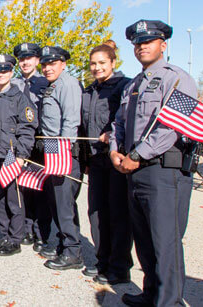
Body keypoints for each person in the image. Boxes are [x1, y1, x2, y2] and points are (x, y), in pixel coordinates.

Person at [110, 20, 197, 307]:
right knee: (144, 241)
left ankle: (169, 302)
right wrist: (115, 151)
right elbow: (119, 125)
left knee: (165, 244)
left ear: (163, 44)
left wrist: (137, 155)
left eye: (149, 41)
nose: (142, 46)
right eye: (137, 42)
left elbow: (171, 128)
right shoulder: (134, 85)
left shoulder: (177, 79)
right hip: (135, 173)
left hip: (164, 172)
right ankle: (151, 295)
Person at [79, 41, 133, 284]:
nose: (97, 67)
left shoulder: (125, 86)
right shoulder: (90, 91)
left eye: (102, 63)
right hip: (96, 159)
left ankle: (119, 267)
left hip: (116, 160)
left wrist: (113, 136)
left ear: (113, 63)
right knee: (96, 213)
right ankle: (102, 261)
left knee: (117, 214)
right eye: (93, 63)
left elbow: (127, 121)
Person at [36, 46, 83, 270]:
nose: (47, 68)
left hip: (63, 151)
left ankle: (73, 252)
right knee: (56, 203)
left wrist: (62, 151)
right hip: (52, 149)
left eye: (52, 64)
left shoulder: (68, 84)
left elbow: (71, 121)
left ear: (63, 64)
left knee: (65, 205)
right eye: (44, 64)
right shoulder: (52, 86)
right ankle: (65, 245)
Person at [0, 54, 37, 256]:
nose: (1, 74)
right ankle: (5, 235)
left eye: (5, 70)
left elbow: (28, 128)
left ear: (11, 72)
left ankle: (16, 239)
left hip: (11, 156)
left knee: (13, 199)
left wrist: (21, 155)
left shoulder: (20, 98)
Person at [12, 42, 51, 252]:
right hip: (20, 141)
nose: (25, 62)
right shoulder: (14, 84)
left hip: (40, 143)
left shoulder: (46, 82)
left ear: (37, 60)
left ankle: (41, 232)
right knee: (24, 187)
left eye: (29, 58)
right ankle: (26, 227)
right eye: (22, 59)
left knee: (42, 189)